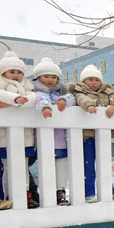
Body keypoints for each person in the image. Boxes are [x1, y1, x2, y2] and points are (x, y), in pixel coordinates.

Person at [69, 64, 114, 203]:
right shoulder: (80, 91)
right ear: (84, 81)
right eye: (90, 80)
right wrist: (89, 105)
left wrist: (113, 106)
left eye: (96, 80)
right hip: (87, 136)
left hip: (103, 136)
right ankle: (88, 193)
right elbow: (82, 99)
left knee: (105, 165)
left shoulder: (106, 93)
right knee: (88, 166)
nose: (94, 83)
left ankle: (109, 191)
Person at [0, 53, 36, 210]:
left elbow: (34, 98)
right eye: (12, 72)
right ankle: (9, 194)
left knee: (22, 167)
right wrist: (15, 100)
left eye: (19, 72)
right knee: (7, 167)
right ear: (3, 73)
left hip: (24, 136)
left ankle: (25, 193)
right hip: (5, 136)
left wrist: (12, 104)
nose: (16, 75)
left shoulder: (27, 86)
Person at [31, 58, 71, 205]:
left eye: (53, 77)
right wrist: (46, 107)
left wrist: (64, 100)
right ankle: (48, 192)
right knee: (46, 166)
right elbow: (40, 99)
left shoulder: (60, 93)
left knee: (61, 166)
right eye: (46, 76)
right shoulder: (37, 91)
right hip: (44, 139)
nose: (50, 80)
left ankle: (60, 191)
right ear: (38, 77)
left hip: (61, 139)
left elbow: (71, 98)